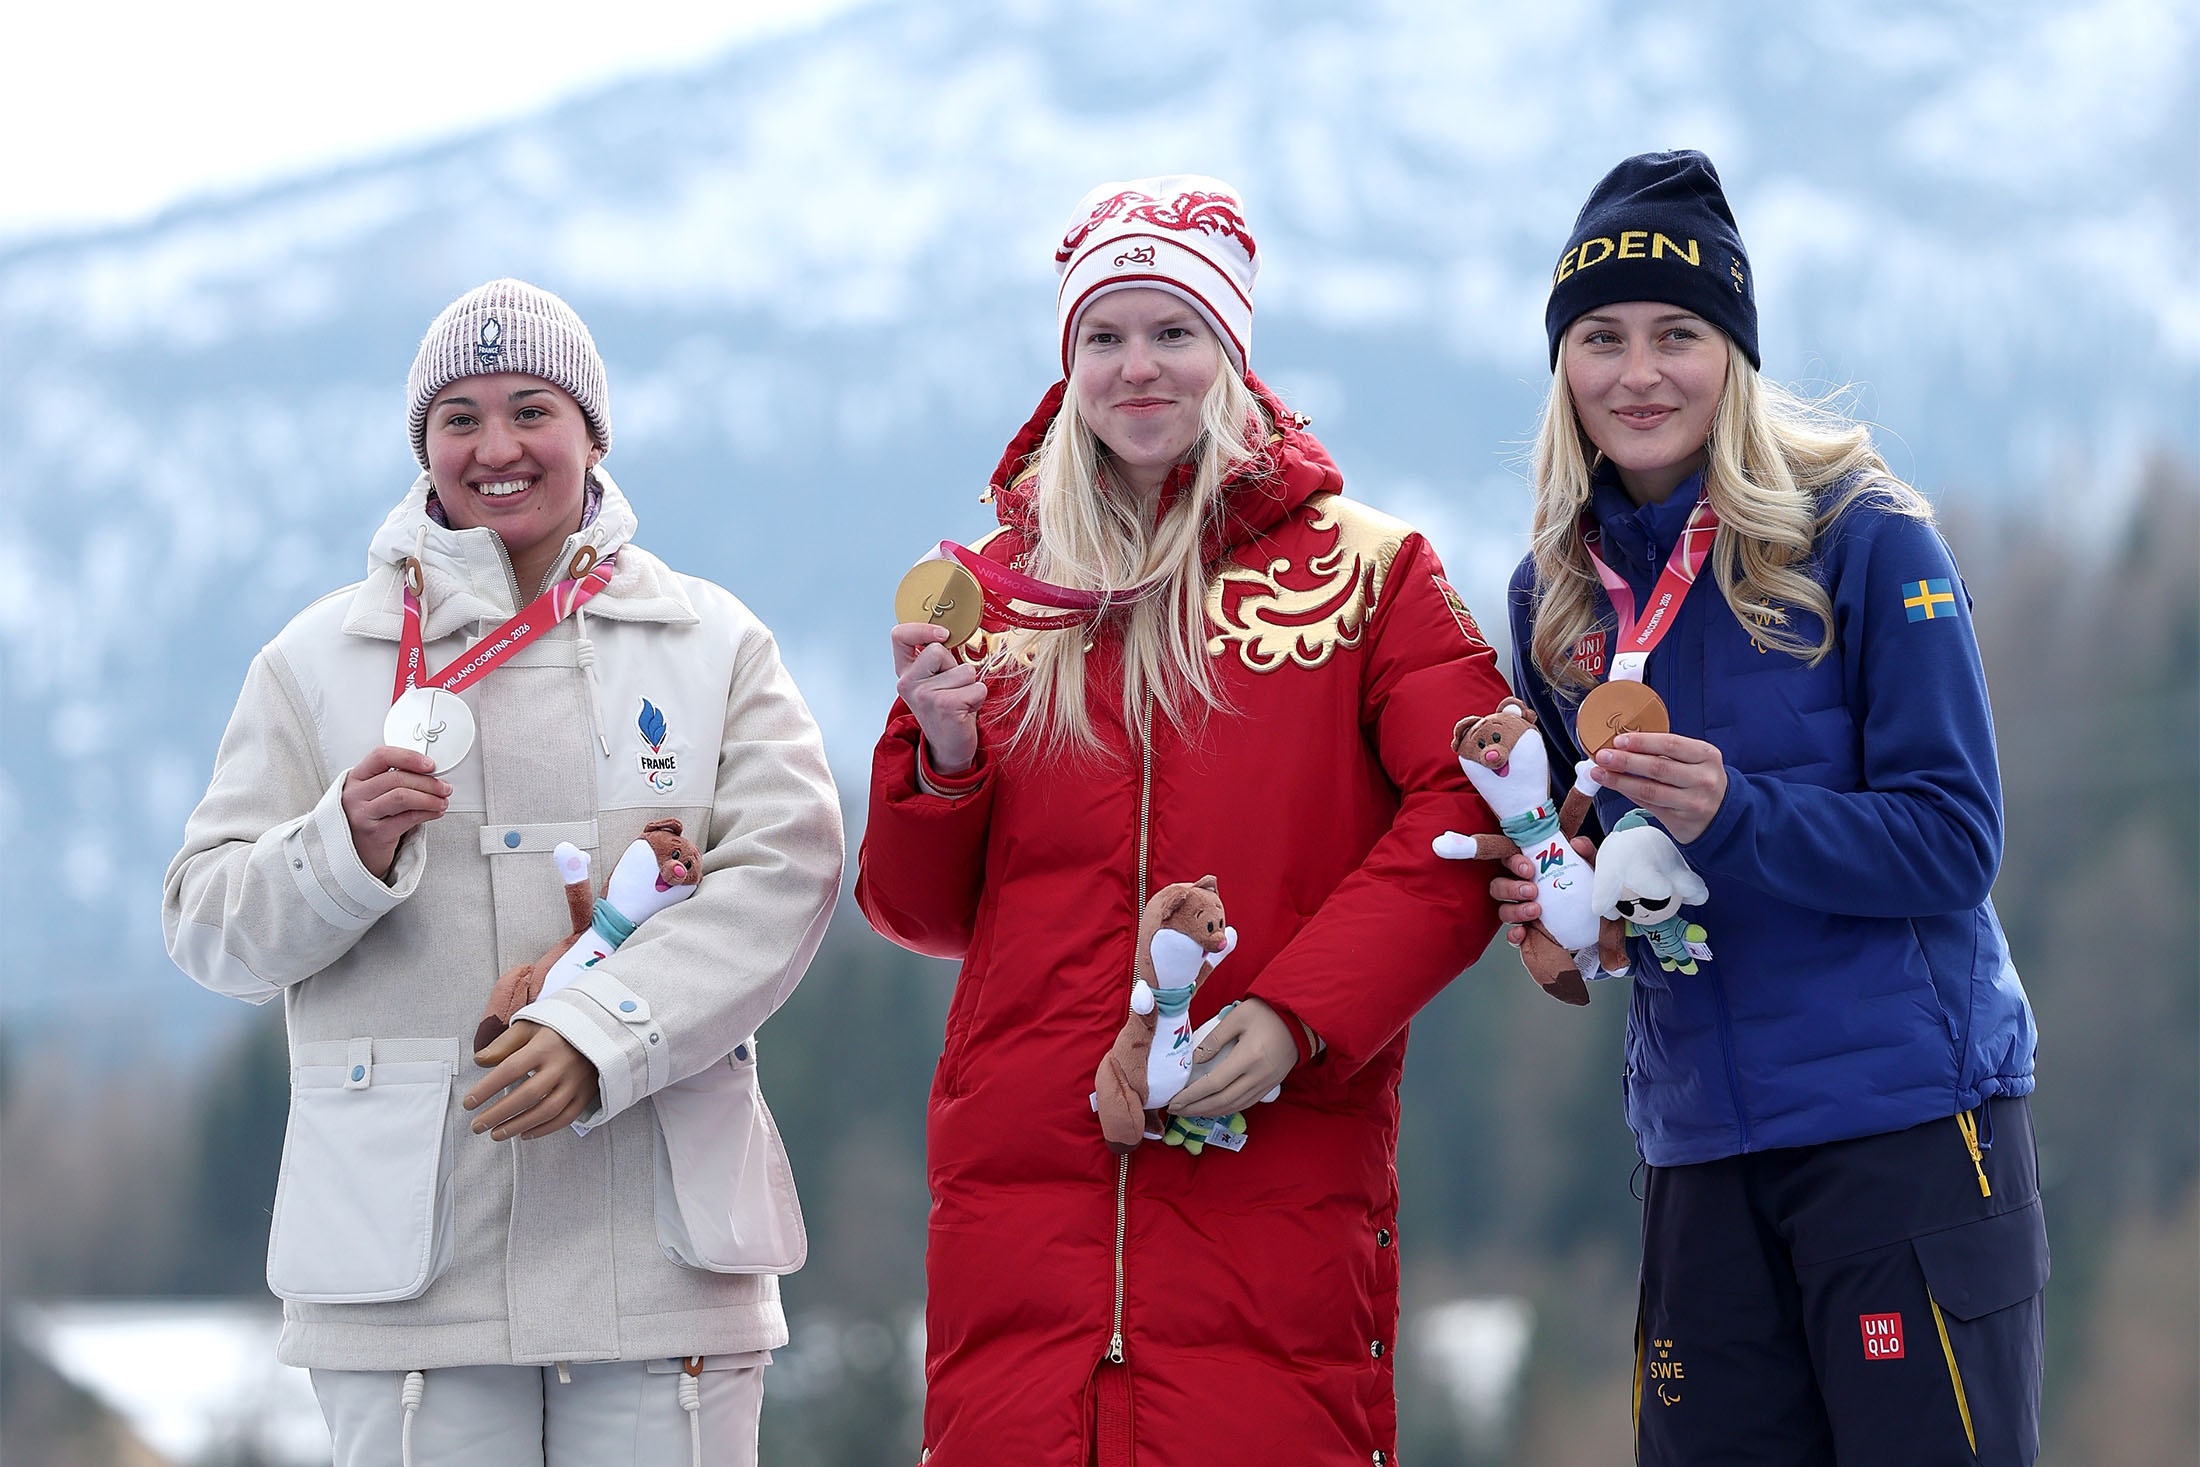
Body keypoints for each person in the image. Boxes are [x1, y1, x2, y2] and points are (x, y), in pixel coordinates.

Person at [856, 175, 1513, 1465]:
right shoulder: (993, 589)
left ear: (1234, 356)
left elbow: (1472, 812)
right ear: (1068, 366)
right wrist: (941, 759)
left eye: (1175, 333)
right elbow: (919, 910)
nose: (1137, 367)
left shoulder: (1371, 573)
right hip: (1020, 1212)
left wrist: (1297, 1015)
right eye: (1104, 336)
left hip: (1265, 1181)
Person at [164, 279, 843, 1467]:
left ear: (593, 436)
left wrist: (604, 1033)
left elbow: (786, 879)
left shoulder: (713, 642)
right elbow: (207, 927)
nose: (497, 448)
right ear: (421, 447)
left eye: (532, 410)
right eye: (459, 418)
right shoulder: (315, 662)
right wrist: (343, 847)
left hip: (661, 1257)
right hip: (410, 1268)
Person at [1491, 151, 2047, 1465]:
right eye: (1601, 337)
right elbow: (1591, 835)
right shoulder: (1552, 595)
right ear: (1561, 366)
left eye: (1678, 334)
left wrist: (1738, 812)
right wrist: (1562, 897)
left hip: (1903, 1128)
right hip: (1696, 1141)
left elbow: (1958, 840)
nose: (1639, 373)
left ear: (1733, 353)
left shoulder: (1865, 537)